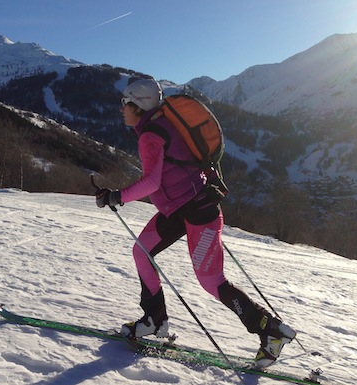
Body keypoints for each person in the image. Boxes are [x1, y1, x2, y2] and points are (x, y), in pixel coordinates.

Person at [95, 78, 297, 368]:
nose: (120, 110)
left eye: (124, 104)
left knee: (211, 281)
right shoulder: (163, 122)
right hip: (179, 210)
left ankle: (270, 330)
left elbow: (151, 182)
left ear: (138, 106)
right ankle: (155, 319)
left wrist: (117, 196)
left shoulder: (151, 135)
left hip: (199, 213)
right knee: (142, 251)